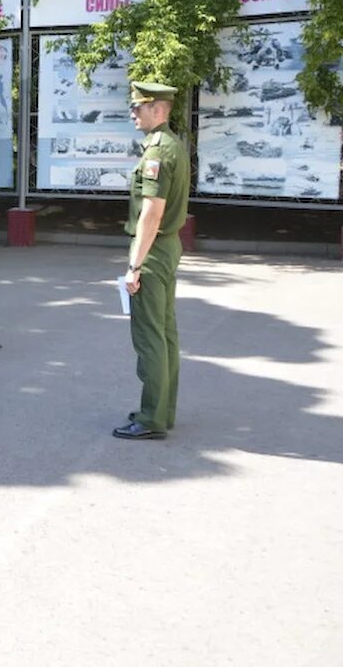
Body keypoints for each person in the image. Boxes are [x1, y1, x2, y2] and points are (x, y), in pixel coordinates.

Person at [113, 81, 190, 441]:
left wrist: (134, 266)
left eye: (139, 107)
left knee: (149, 338)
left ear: (158, 110)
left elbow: (151, 214)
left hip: (153, 250)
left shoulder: (157, 153)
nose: (133, 113)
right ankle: (164, 411)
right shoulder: (174, 145)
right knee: (166, 334)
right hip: (168, 247)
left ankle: (150, 417)